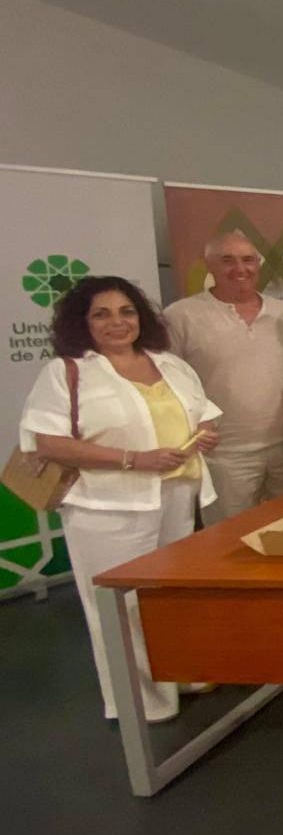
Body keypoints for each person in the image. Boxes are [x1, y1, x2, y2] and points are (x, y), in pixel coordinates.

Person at [20, 276, 220, 723]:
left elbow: (204, 416)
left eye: (126, 311)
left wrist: (205, 436)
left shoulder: (169, 365)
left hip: (175, 497)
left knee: (167, 597)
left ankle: (179, 675)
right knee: (120, 607)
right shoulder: (67, 372)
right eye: (102, 314)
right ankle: (142, 702)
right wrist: (134, 459)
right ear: (82, 322)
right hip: (107, 507)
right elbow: (48, 443)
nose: (117, 322)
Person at [163, 230, 283, 525]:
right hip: (225, 455)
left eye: (248, 260)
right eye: (227, 260)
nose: (240, 269)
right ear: (209, 266)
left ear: (258, 264)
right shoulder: (181, 316)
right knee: (229, 541)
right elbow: (166, 383)